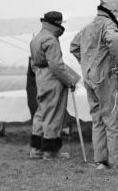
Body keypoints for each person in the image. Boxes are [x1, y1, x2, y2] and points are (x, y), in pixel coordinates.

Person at [70, 0, 118, 170]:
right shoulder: (109, 25)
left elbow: (74, 46)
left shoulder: (89, 26)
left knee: (98, 119)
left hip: (90, 79)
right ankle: (117, 161)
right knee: (114, 117)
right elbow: (114, 41)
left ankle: (101, 160)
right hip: (107, 79)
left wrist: (87, 64)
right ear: (114, 11)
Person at [29, 11, 80, 161]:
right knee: (54, 114)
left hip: (41, 77)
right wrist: (69, 81)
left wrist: (41, 75)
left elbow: (33, 64)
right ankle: (50, 151)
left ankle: (36, 149)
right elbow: (57, 66)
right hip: (52, 79)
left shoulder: (36, 38)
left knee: (41, 113)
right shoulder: (51, 39)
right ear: (56, 24)